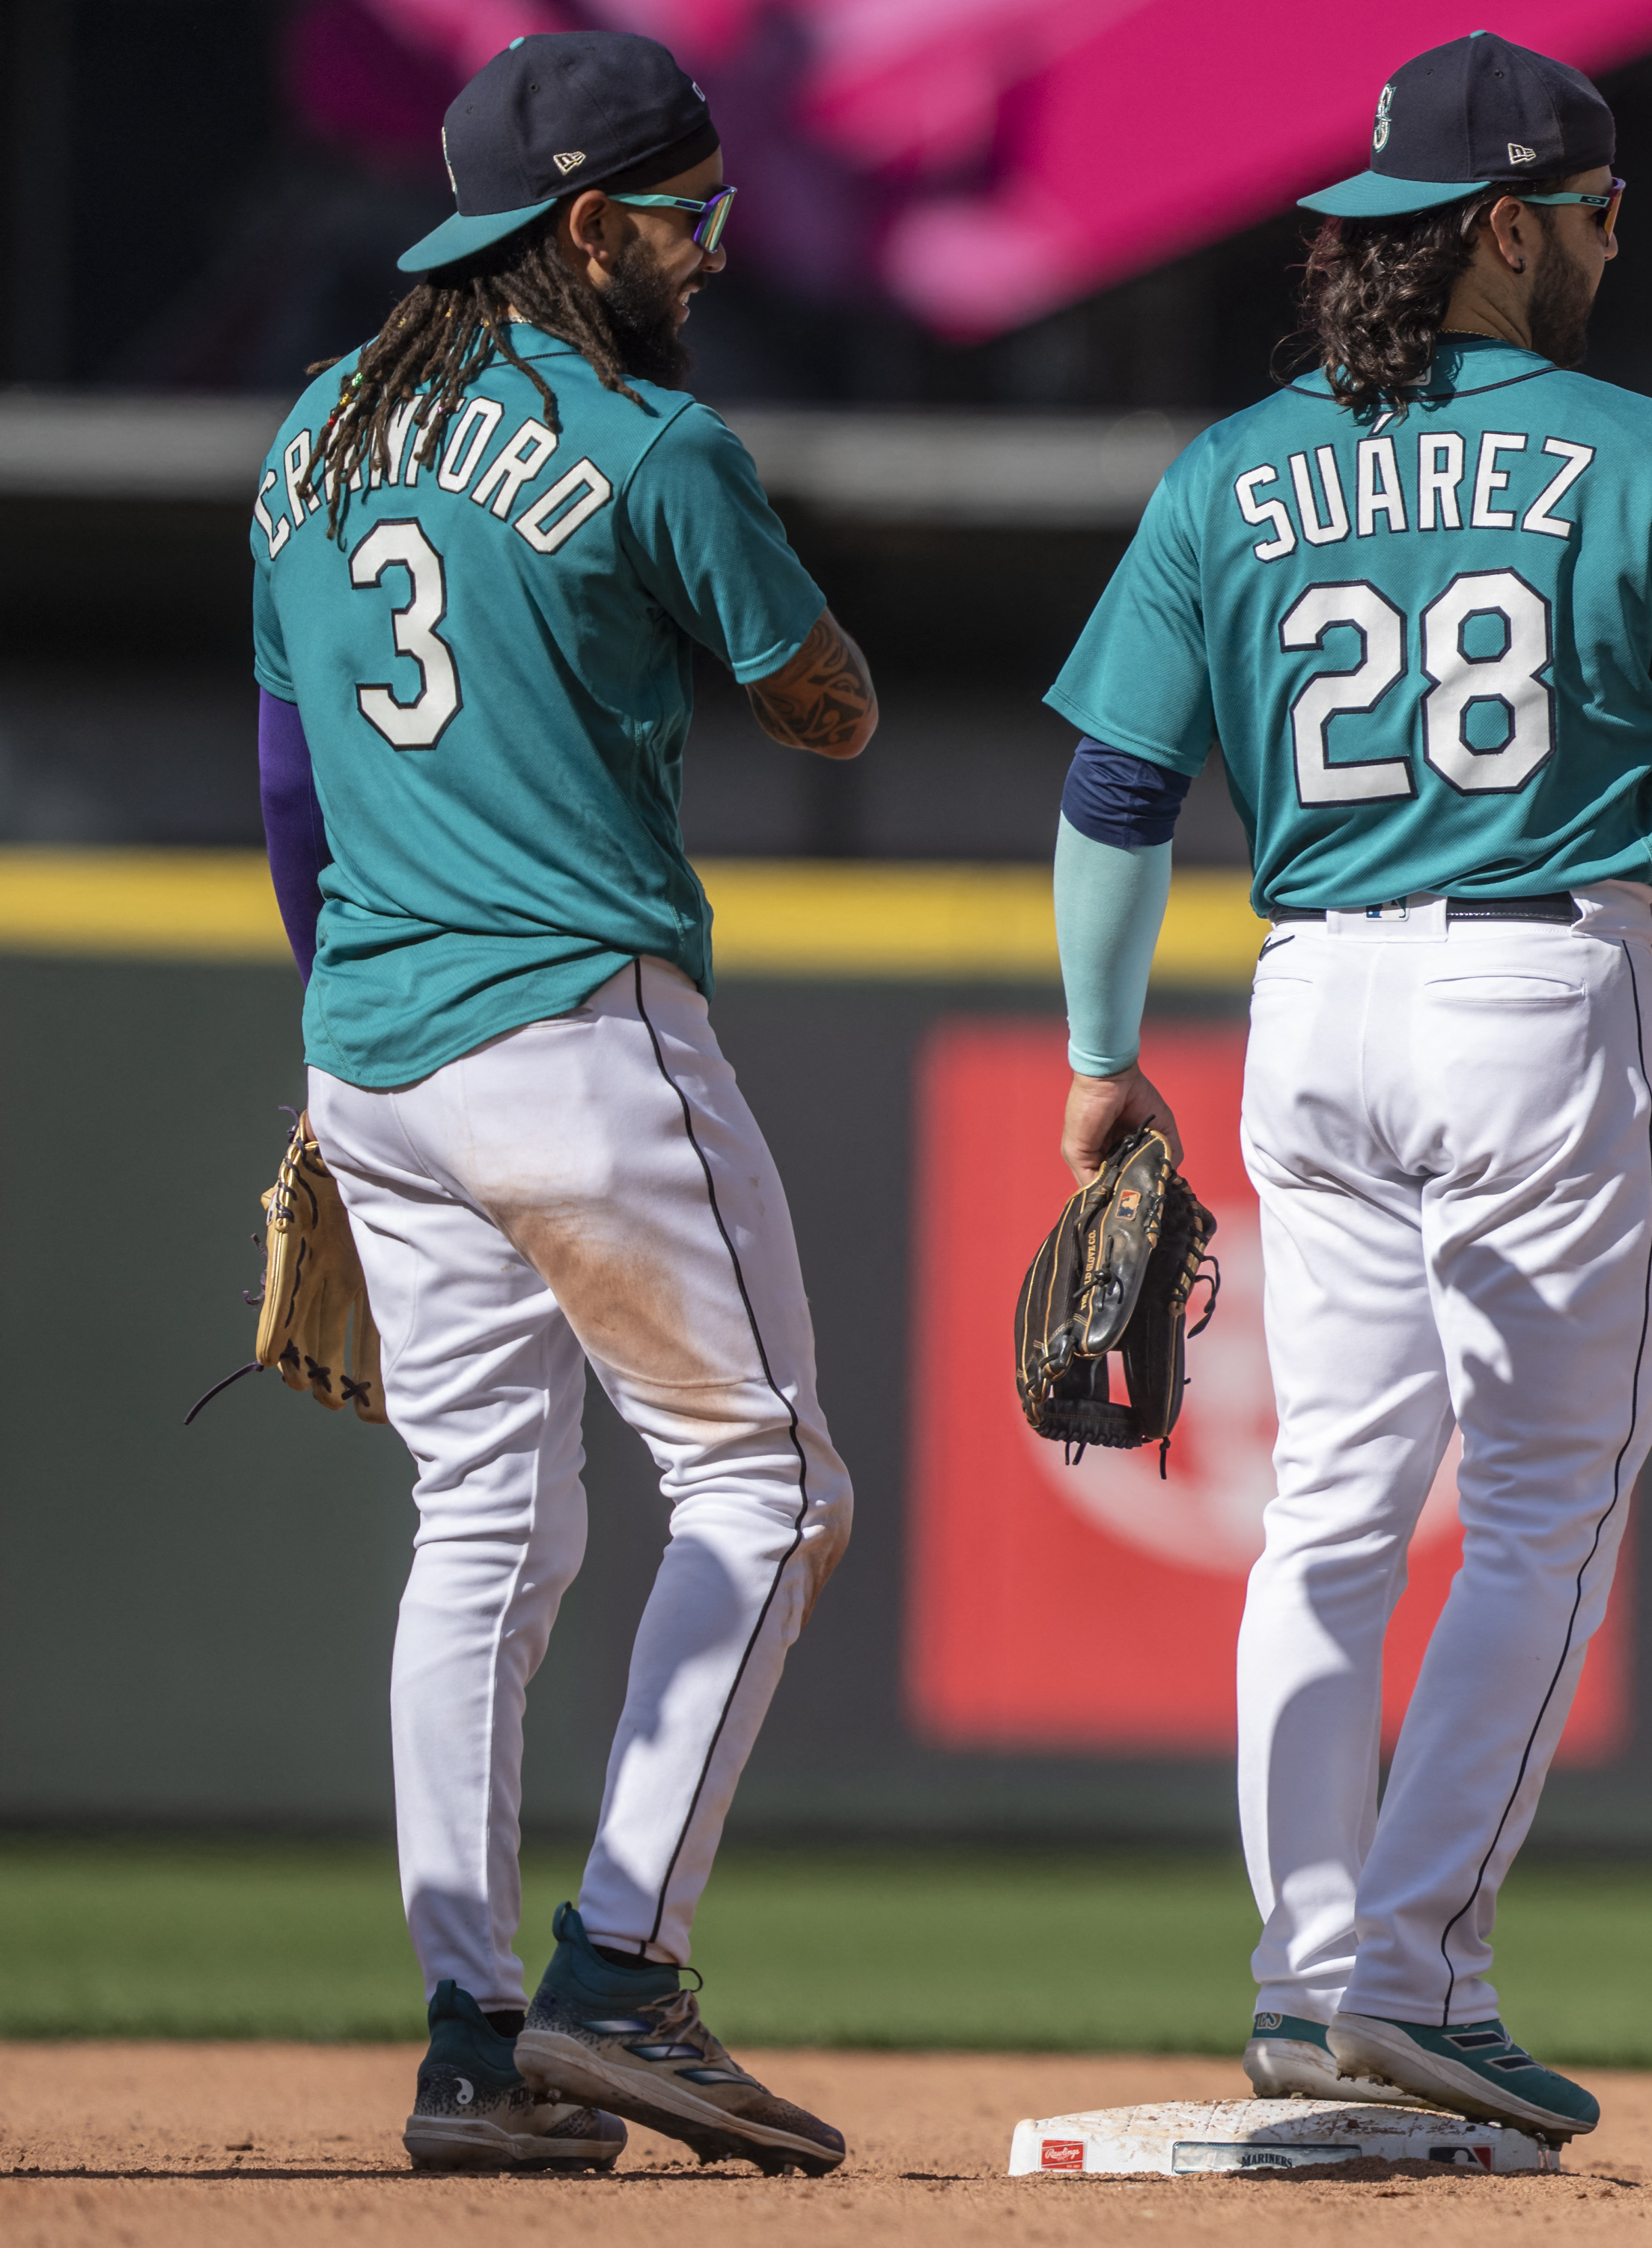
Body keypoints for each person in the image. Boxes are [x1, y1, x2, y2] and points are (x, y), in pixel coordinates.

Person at [1042, 31, 1652, 2142]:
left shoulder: (1228, 469)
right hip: (1536, 985)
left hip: (1306, 1006)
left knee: (1330, 1512)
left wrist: (1094, 1057)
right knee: (1544, 1505)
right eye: (1600, 209)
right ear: (1514, 228)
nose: (1615, 239)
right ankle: (1416, 1971)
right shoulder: (1633, 451)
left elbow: (1112, 792)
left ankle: (1296, 1975)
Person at [250, 31, 871, 2177]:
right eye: (686, 216)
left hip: (376, 1043)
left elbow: (288, 783)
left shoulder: (310, 442)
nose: (712, 251)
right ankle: (626, 1977)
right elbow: (831, 706)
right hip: (568, 1026)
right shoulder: (645, 436)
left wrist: (336, 1051)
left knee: (483, 1526)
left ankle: (468, 2043)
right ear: (586, 227)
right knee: (770, 1487)